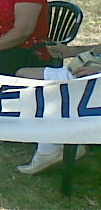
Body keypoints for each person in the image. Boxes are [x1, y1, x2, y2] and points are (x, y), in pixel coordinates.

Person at [14, 43, 99, 175]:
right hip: (80, 70)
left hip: (93, 78)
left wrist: (98, 72)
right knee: (23, 76)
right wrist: (71, 51)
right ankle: (56, 140)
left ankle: (51, 148)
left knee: (54, 95)